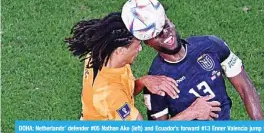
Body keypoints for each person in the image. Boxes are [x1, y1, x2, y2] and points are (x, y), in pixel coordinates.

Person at [124, 0, 264, 120]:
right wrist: (191, 113)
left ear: (171, 21)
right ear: (148, 42)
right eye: (157, 34)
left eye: (165, 25)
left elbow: (245, 87)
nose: (166, 33)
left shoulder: (210, 45)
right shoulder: (157, 82)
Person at [65, 12, 221, 120]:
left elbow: (124, 89)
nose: (140, 49)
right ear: (120, 51)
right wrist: (192, 112)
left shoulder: (102, 54)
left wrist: (143, 81)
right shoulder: (109, 96)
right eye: (137, 45)